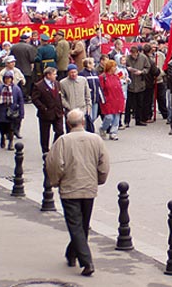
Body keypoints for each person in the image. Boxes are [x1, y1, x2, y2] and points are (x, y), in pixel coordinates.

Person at [45, 108, 110, 277]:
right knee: (82, 225)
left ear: (68, 123)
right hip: (88, 187)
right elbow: (103, 163)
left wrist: (56, 182)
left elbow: (54, 165)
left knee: (76, 225)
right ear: (83, 122)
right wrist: (100, 179)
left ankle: (86, 261)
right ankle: (72, 253)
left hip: (70, 188)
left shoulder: (62, 141)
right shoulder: (95, 139)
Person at [32, 67, 64, 154]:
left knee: (60, 131)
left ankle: (54, 148)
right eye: (54, 74)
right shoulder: (39, 86)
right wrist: (43, 108)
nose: (56, 76)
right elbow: (35, 99)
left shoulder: (57, 84)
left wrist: (61, 109)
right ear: (48, 75)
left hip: (57, 112)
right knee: (45, 134)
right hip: (45, 114)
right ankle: (45, 151)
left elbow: (59, 97)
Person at [0, 71, 24, 150]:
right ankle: (3, 137)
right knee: (2, 127)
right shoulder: (0, 89)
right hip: (1, 111)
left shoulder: (16, 89)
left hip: (12, 111)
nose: (7, 80)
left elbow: (21, 101)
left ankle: (11, 143)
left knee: (11, 128)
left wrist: (21, 113)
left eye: (9, 78)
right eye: (6, 78)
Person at [98, 60, 124, 141]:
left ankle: (113, 133)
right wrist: (103, 100)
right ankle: (103, 128)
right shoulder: (103, 77)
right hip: (108, 100)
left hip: (117, 99)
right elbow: (100, 90)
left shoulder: (116, 77)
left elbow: (120, 87)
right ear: (109, 68)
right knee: (108, 117)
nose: (115, 68)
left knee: (116, 117)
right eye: (114, 66)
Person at [125, 46, 150, 127]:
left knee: (140, 103)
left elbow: (148, 67)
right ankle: (126, 121)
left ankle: (138, 120)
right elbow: (122, 66)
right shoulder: (127, 58)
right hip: (130, 84)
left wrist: (142, 72)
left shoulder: (143, 58)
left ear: (137, 53)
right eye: (132, 54)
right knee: (128, 105)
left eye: (135, 54)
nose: (133, 56)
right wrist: (127, 68)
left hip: (140, 83)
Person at [10, 33, 36, 102]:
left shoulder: (13, 47)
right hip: (26, 69)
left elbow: (11, 57)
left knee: (17, 83)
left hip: (16, 68)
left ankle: (17, 97)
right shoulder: (29, 47)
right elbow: (32, 59)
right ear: (26, 39)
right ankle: (25, 97)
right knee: (26, 84)